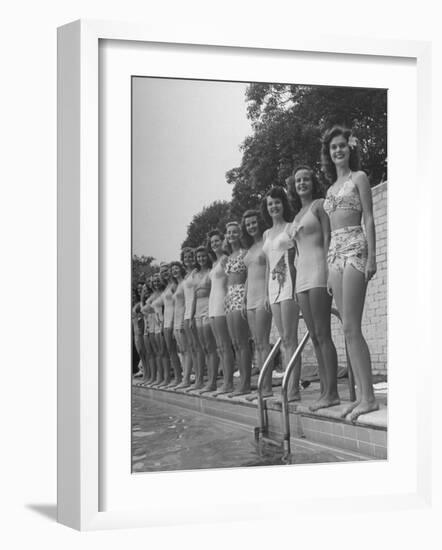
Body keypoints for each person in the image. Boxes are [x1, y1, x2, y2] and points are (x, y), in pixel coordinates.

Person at [321, 125, 379, 421]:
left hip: (356, 248)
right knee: (345, 329)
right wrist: (329, 268)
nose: (338, 150)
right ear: (328, 154)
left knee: (353, 326)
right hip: (335, 255)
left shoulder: (360, 178)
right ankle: (361, 397)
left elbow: (369, 217)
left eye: (342, 145)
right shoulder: (330, 190)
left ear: (349, 148)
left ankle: (368, 398)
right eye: (333, 147)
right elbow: (329, 232)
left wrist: (372, 255)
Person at [287, 166, 340, 410]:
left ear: (312, 182)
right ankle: (325, 391)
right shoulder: (296, 215)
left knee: (323, 334)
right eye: (298, 180)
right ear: (294, 185)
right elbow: (294, 253)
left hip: (319, 271)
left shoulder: (319, 205)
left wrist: (330, 271)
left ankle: (332, 393)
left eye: (306, 179)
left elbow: (328, 238)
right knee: (314, 339)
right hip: (302, 279)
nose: (302, 183)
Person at [261, 186, 301, 401]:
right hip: (273, 287)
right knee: (283, 338)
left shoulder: (290, 227)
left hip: (289, 284)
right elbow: (268, 265)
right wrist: (267, 295)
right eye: (270, 204)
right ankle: (289, 385)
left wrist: (295, 288)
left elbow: (296, 259)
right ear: (266, 208)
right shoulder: (267, 233)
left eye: (277, 202)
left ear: (282, 204)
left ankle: (293, 389)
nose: (273, 206)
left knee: (290, 338)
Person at [241, 210, 273, 397]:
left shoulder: (266, 243)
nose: (251, 226)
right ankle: (262, 385)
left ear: (259, 223)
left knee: (263, 342)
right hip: (250, 300)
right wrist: (244, 299)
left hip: (263, 296)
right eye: (248, 224)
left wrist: (269, 294)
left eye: (254, 222)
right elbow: (248, 276)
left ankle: (266, 387)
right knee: (257, 344)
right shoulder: (251, 248)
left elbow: (271, 267)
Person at [224, 221, 252, 396]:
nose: (232, 235)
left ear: (240, 234)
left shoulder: (245, 253)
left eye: (235, 232)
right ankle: (241, 382)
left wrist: (245, 298)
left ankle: (246, 383)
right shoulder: (229, 257)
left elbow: (249, 276)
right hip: (229, 296)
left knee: (242, 342)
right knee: (235, 343)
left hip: (241, 293)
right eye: (229, 232)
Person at [206, 229, 235, 395]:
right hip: (212, 304)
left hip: (221, 303)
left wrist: (228, 301)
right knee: (219, 347)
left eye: (217, 241)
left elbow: (231, 279)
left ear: (222, 241)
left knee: (225, 345)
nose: (215, 244)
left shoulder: (224, 259)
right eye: (212, 242)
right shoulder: (214, 263)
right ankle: (225, 381)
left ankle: (229, 383)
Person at [191, 246, 219, 393]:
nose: (201, 259)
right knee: (203, 347)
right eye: (198, 257)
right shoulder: (195, 274)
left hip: (209, 305)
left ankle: (213, 381)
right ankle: (207, 379)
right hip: (197, 310)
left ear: (207, 257)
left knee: (210, 345)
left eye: (203, 256)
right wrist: (191, 315)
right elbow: (193, 297)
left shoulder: (211, 271)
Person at [181, 247, 205, 391]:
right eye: (185, 257)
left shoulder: (196, 273)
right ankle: (196, 377)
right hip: (186, 313)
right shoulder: (186, 276)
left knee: (198, 347)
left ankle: (200, 378)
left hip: (193, 312)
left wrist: (191, 315)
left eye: (191, 256)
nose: (188, 259)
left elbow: (195, 295)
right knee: (192, 348)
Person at [158, 263, 183, 388]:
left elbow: (176, 304)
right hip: (166, 322)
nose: (165, 273)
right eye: (162, 271)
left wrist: (173, 323)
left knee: (175, 350)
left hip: (173, 321)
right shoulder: (167, 286)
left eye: (166, 270)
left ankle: (179, 377)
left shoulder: (174, 285)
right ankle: (177, 376)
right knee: (170, 351)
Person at [171, 261, 192, 389]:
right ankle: (185, 377)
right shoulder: (177, 285)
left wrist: (185, 319)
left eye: (176, 268)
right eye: (172, 269)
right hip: (176, 321)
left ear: (181, 268)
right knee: (182, 351)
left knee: (187, 350)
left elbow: (187, 302)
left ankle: (187, 378)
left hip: (183, 318)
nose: (174, 270)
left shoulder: (184, 283)